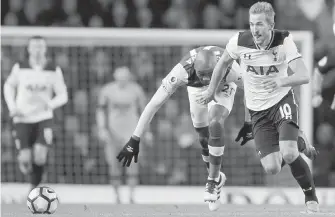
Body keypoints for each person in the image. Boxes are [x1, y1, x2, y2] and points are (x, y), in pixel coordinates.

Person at [195, 2, 319, 213]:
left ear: (271, 25)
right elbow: (222, 64)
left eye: (260, 24)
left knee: (288, 154)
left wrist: (281, 81)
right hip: (258, 111)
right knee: (271, 168)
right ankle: (298, 141)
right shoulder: (239, 41)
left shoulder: (283, 40)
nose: (255, 29)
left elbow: (304, 75)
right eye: (252, 24)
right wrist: (209, 92)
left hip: (281, 102)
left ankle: (311, 199)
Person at [116, 45, 243, 211]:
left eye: (208, 74)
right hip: (196, 89)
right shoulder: (182, 72)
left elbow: (254, 91)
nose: (205, 79)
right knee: (203, 136)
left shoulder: (231, 69)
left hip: (222, 84)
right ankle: (217, 178)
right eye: (202, 74)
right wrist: (135, 138)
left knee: (215, 122)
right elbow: (154, 104)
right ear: (194, 69)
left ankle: (212, 180)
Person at [3, 35, 68, 192]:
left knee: (40, 156)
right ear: (29, 49)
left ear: (45, 49)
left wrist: (50, 104)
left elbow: (63, 95)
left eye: (40, 46)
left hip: (43, 118)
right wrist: (12, 107)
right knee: (26, 160)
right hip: (22, 118)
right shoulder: (20, 67)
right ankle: (25, 163)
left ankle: (34, 189)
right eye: (34, 46)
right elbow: (8, 86)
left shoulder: (53, 70)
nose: (37, 50)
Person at [96, 66, 146, 203]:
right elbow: (100, 111)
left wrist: (146, 131)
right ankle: (116, 196)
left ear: (129, 77)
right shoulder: (107, 90)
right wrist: (101, 129)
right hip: (112, 134)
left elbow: (145, 112)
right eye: (120, 77)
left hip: (131, 133)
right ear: (115, 77)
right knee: (113, 165)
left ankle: (131, 196)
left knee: (132, 165)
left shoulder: (136, 90)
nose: (122, 80)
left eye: (125, 77)